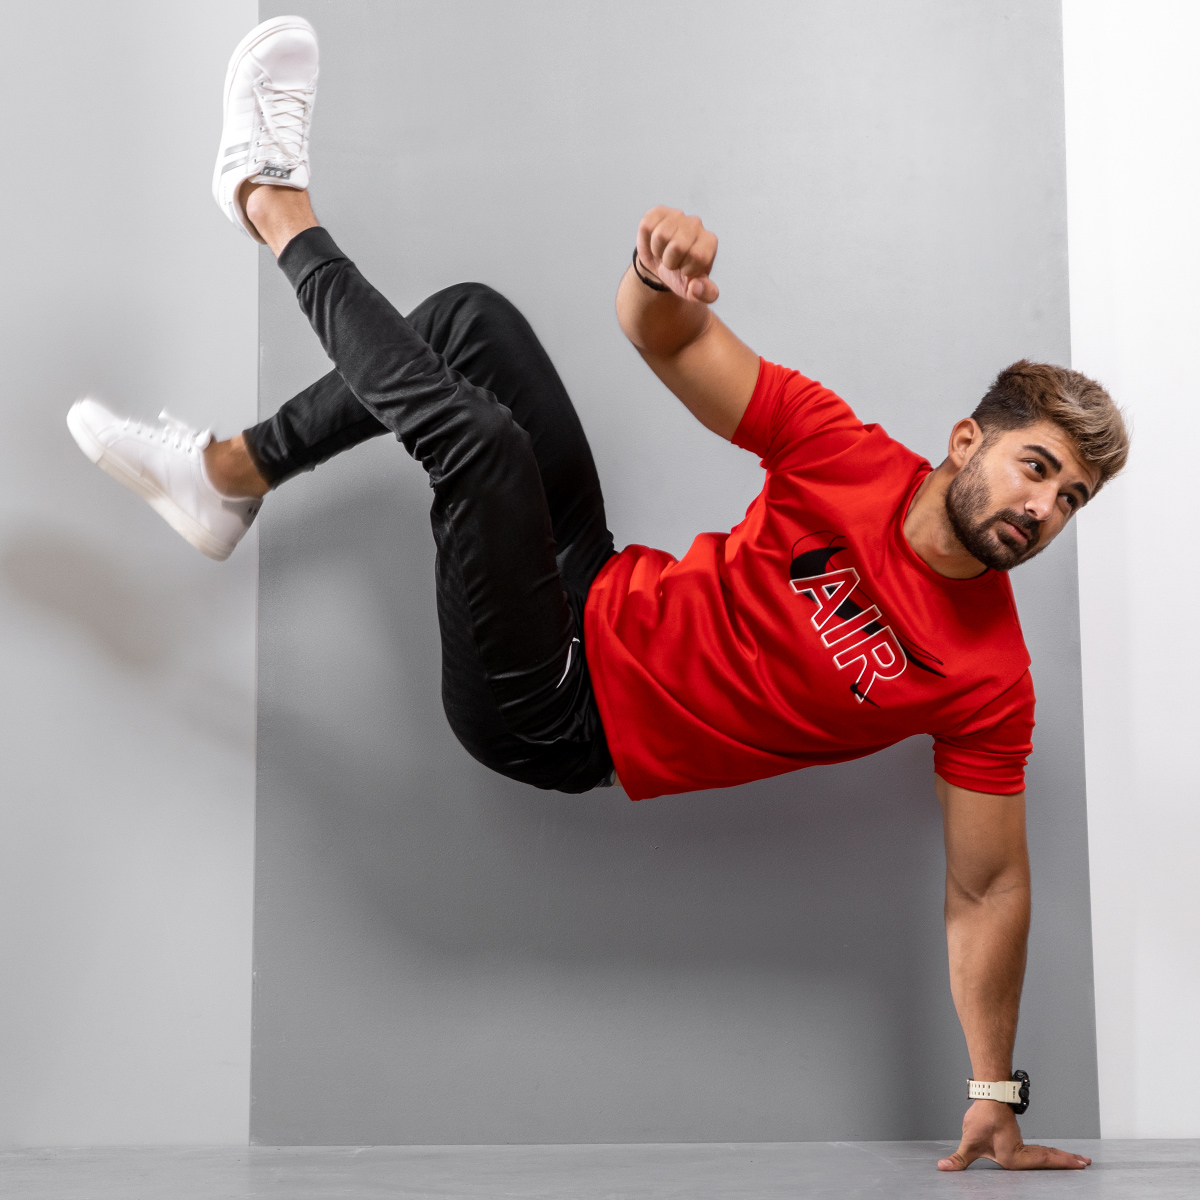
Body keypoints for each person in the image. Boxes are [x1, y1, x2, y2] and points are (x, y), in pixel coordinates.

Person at [68, 16, 1126, 1172]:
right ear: (968, 441)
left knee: (478, 446)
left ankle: (272, 203)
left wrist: (994, 1093)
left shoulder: (987, 678)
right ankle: (228, 477)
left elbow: (988, 886)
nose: (1044, 508)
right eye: (1037, 468)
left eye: (1070, 499)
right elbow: (664, 339)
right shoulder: (845, 455)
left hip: (558, 714)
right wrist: (660, 277)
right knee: (474, 322)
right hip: (592, 582)